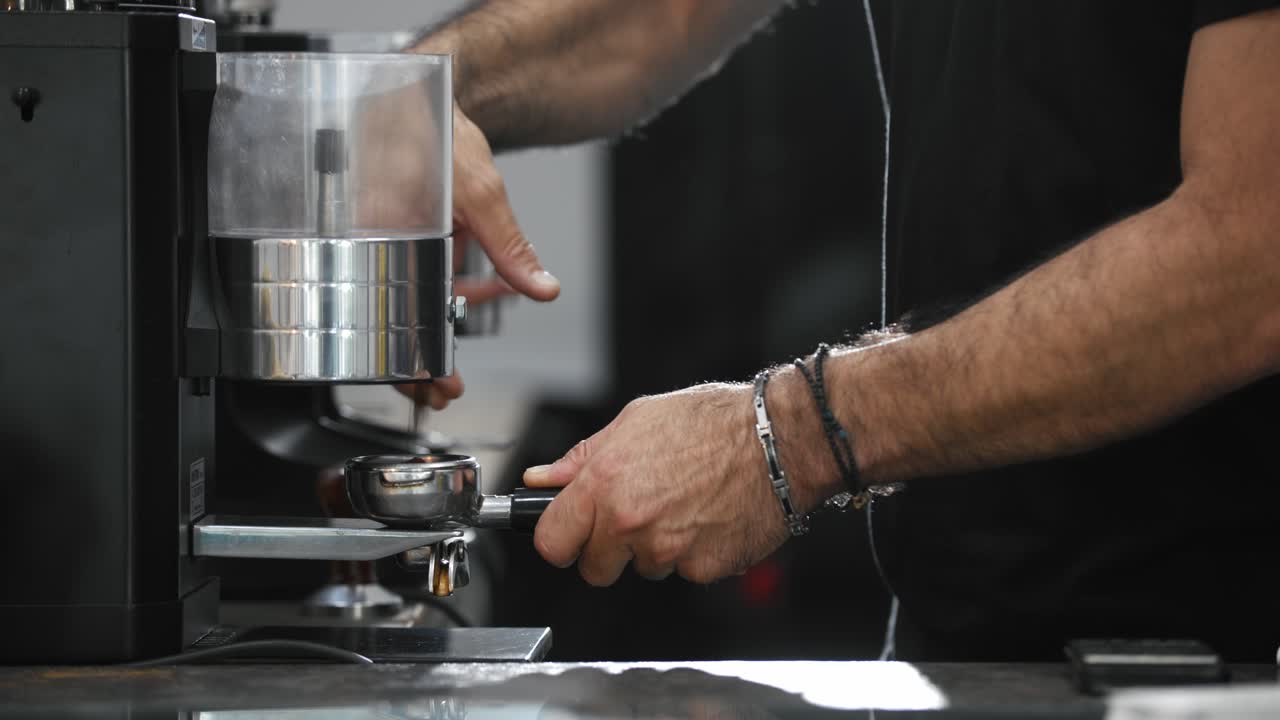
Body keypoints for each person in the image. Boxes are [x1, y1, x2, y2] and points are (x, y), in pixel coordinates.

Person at [406, 1, 1280, 662]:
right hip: (963, 633)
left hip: (1215, 657)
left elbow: (1252, 257)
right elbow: (655, 18)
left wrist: (785, 435)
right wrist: (404, 103)